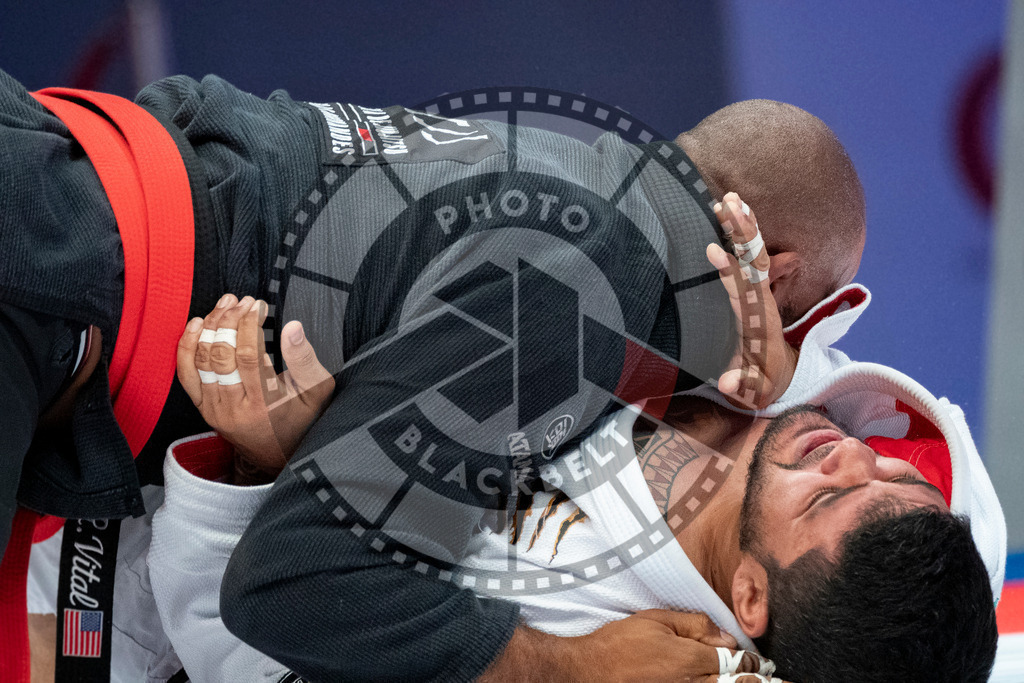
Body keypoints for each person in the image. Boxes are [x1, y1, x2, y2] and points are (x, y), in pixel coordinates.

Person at [0, 64, 867, 678]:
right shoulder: (600, 283)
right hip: (49, 285)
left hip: (55, 176)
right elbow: (296, 578)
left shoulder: (571, 174)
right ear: (775, 275)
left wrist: (758, 365)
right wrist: (568, 668)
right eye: (799, 315)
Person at [148, 278, 1000, 682]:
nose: (849, 453)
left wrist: (275, 463)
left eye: (830, 493)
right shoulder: (812, 403)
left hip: (126, 493)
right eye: (891, 472)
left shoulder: (600, 641)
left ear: (749, 601)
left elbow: (251, 641)